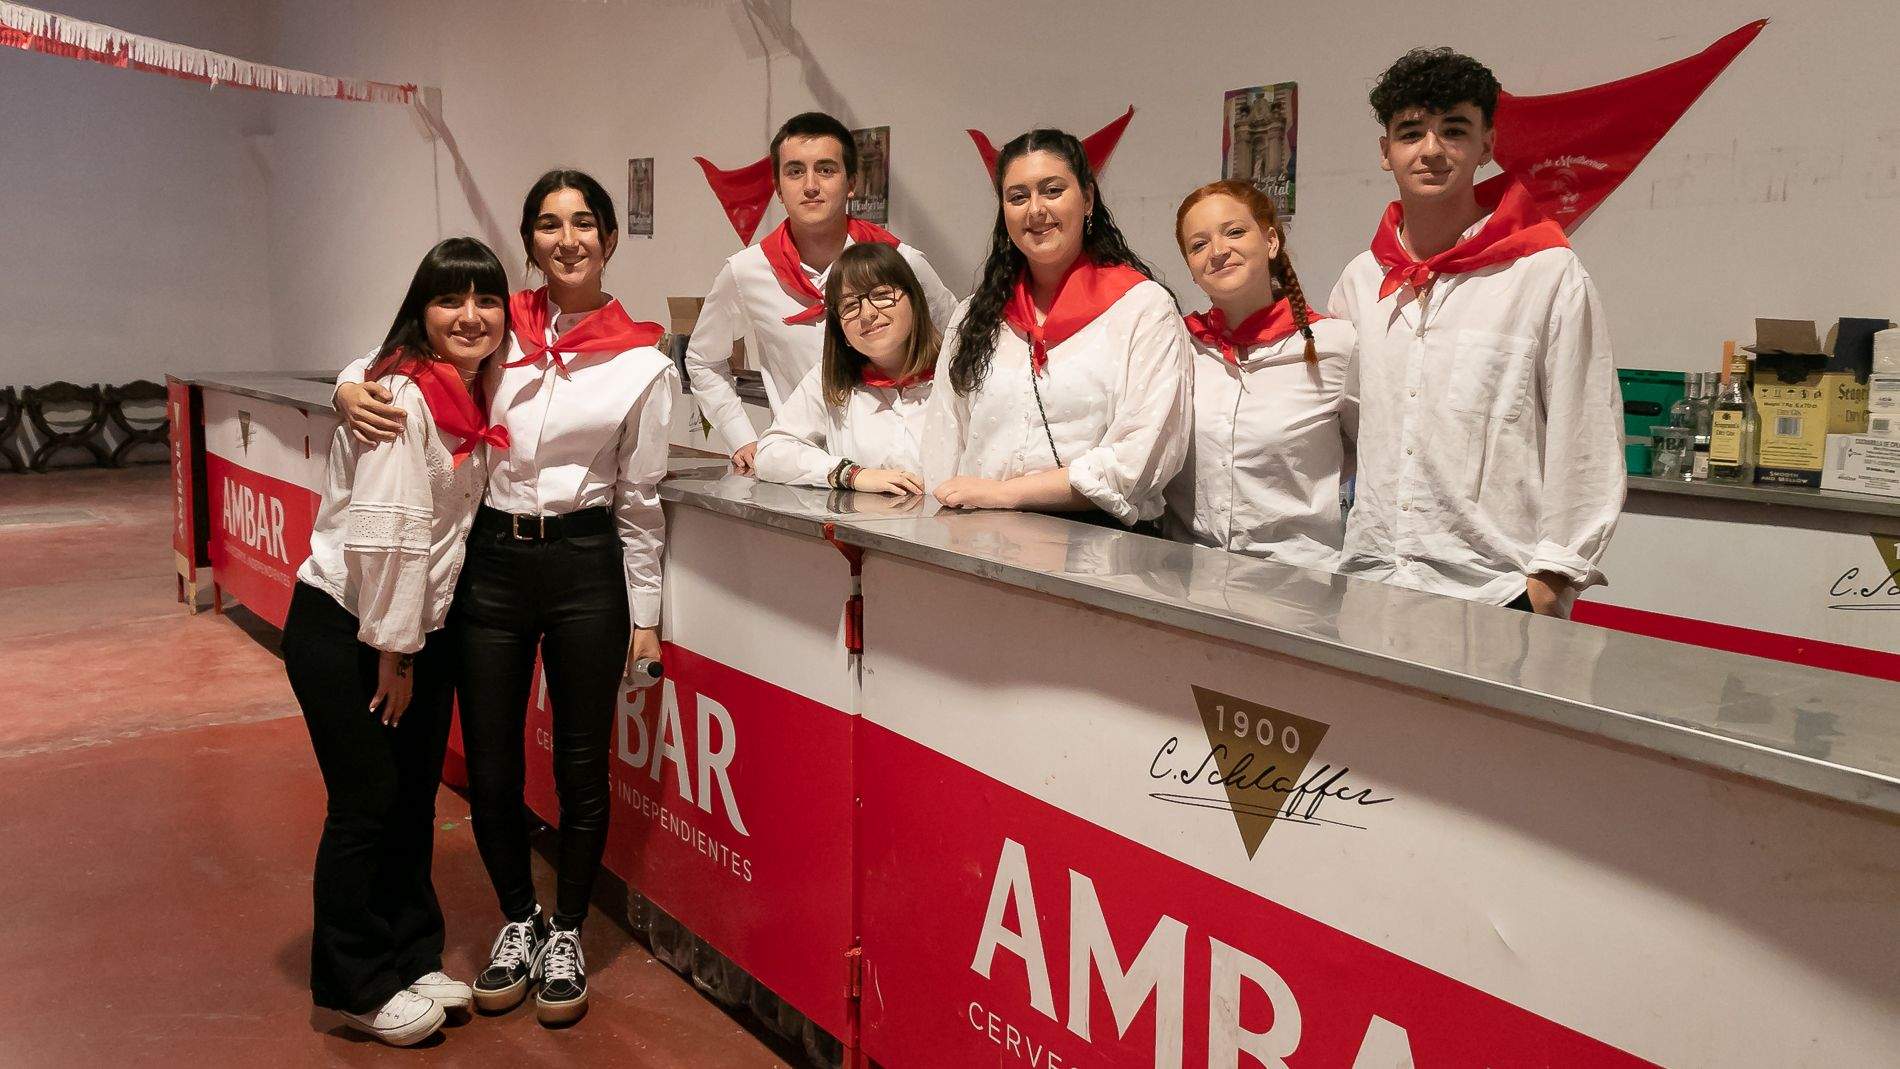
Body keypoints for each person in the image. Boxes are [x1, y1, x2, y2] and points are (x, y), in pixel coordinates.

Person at [334, 170, 676, 1026]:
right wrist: (347, 384)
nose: (569, 239)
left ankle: (567, 931)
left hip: (586, 564)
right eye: (550, 225)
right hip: (492, 561)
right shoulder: (501, 327)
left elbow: (640, 498)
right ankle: (517, 919)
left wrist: (648, 617)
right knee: (490, 763)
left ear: (608, 239)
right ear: (529, 241)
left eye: (585, 224)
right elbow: (407, 349)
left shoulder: (642, 359)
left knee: (581, 764)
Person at [282, 237, 511, 1046]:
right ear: (422, 310)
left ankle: (411, 953)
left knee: (413, 798)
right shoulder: (402, 400)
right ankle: (356, 981)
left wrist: (349, 377)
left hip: (418, 625)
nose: (472, 315)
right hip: (354, 628)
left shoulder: (472, 388)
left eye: (488, 299)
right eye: (452, 299)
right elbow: (389, 541)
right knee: (366, 804)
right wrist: (396, 655)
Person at [1327, 48, 1624, 615]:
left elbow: (1585, 430)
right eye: (1411, 132)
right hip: (1370, 579)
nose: (1432, 150)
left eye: (1454, 130)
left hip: (1492, 592)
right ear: (1385, 152)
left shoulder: (1543, 273)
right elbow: (1336, 425)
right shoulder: (1362, 281)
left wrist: (1552, 581)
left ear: (1487, 145)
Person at [923, 128, 1191, 530]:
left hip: (1098, 549)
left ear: (1087, 199)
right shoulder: (974, 315)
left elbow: (1142, 456)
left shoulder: (1142, 309)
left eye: (1052, 190)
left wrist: (1007, 495)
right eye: (1017, 197)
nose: (1035, 209)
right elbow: (943, 441)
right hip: (976, 540)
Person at [685, 111, 958, 474]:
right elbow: (703, 361)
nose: (810, 185)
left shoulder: (901, 262)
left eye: (826, 170)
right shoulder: (746, 272)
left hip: (902, 468)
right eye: (795, 171)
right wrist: (742, 438)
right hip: (799, 469)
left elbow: (958, 345)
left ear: (852, 184)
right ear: (778, 188)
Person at [1165, 180, 1357, 569]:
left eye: (1234, 232)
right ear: (1190, 268)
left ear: (1270, 242)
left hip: (1298, 583)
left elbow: (1370, 456)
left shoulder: (1335, 345)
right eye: (1199, 245)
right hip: (1186, 577)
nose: (1218, 251)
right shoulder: (1177, 346)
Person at [753, 243, 938, 494]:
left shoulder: (957, 372)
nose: (868, 313)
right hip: (864, 528)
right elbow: (771, 452)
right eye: (850, 305)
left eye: (882, 294)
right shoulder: (831, 380)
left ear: (915, 299)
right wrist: (848, 473)